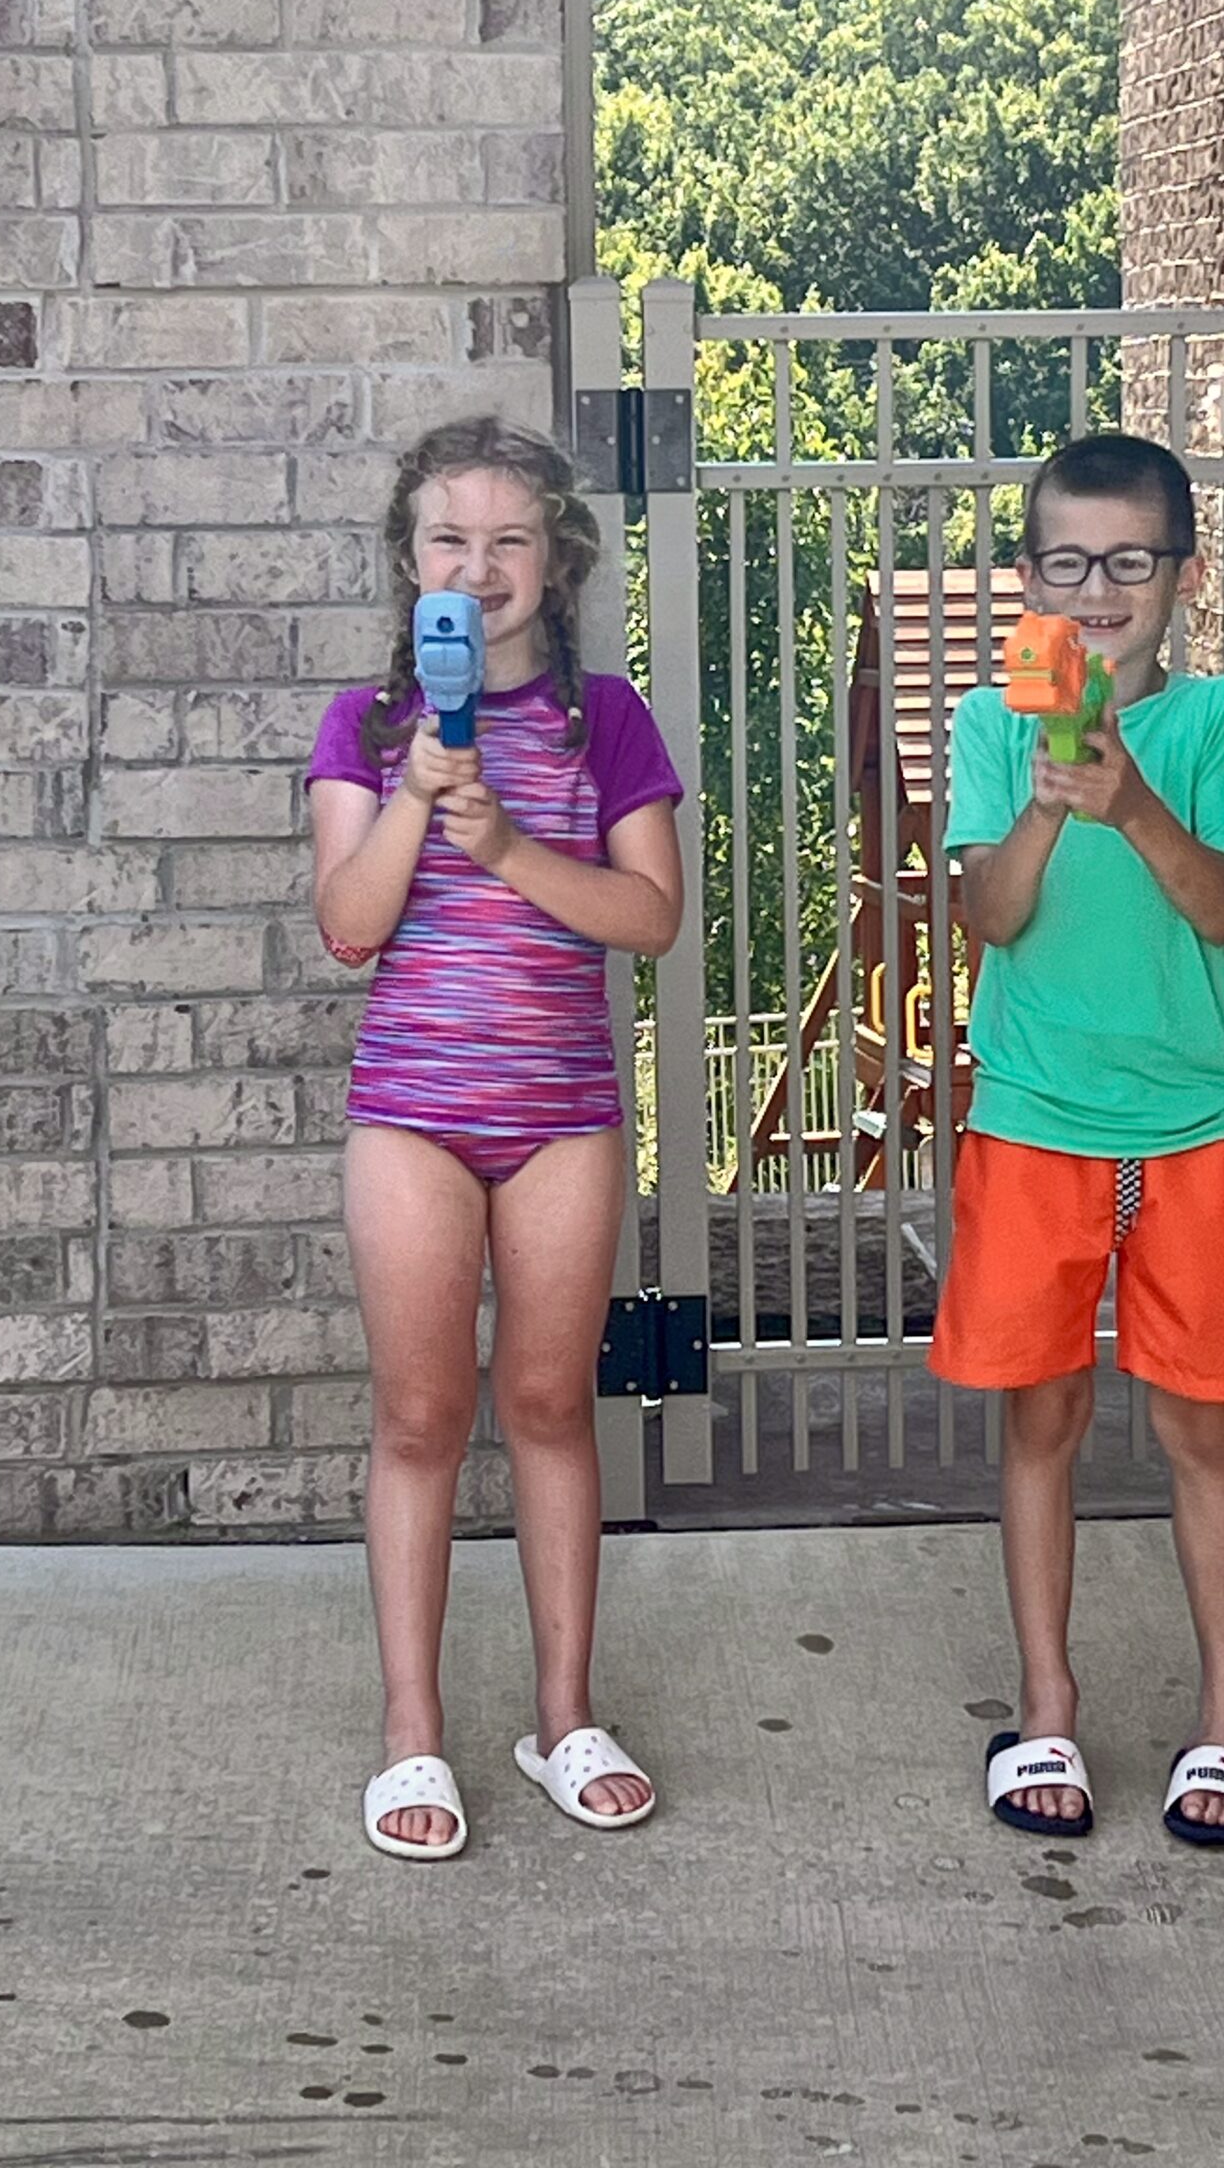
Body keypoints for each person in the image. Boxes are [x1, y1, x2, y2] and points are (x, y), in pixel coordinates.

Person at [306, 416, 683, 1862]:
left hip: (561, 1120)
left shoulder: (611, 726)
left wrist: (514, 846)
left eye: (511, 538)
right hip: (412, 1115)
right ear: (411, 571)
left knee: (546, 1407)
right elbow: (350, 925)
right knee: (418, 1420)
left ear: (559, 558)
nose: (482, 564)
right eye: (451, 541)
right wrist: (420, 790)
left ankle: (562, 1716)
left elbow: (648, 922)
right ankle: (414, 1735)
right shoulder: (367, 726)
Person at [931, 430, 1224, 1848]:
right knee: (1045, 1418)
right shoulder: (984, 723)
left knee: (1200, 1425)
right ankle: (1049, 1706)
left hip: (1191, 1126)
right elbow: (992, 917)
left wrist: (1129, 797)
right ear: (1029, 579)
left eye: (1127, 562)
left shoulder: (1216, 725)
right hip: (1033, 1122)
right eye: (1067, 563)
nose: (1097, 591)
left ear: (1181, 576)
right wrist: (1040, 794)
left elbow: (1221, 909)